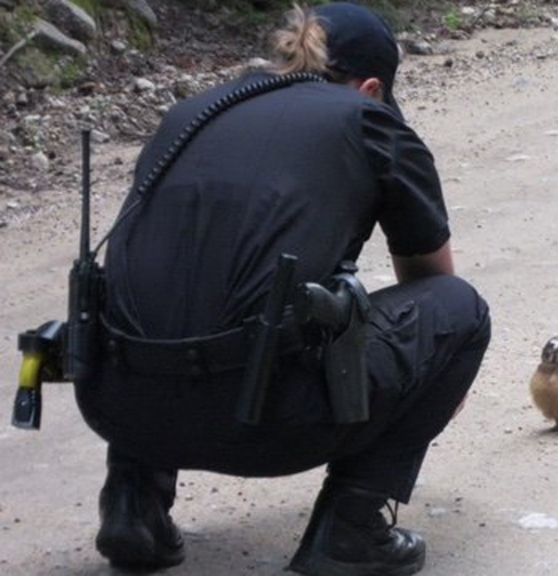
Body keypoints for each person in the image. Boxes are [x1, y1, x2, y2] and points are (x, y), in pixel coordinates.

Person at [73, 3, 491, 575]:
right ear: (371, 87)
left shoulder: (190, 114)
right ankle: (351, 529)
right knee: (461, 311)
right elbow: (433, 281)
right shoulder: (369, 120)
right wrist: (434, 378)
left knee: (175, 289)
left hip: (117, 403)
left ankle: (132, 506)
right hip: (266, 421)